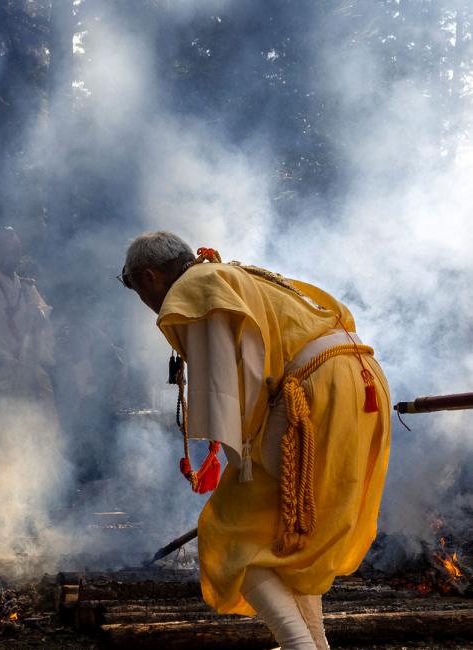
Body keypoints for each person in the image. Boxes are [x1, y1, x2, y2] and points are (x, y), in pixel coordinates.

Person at [120, 231, 391, 650]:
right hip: (360, 379)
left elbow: (225, 388)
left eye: (137, 289)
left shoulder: (195, 289)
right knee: (285, 531)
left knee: (229, 532)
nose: (145, 301)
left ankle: (298, 644)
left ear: (150, 277)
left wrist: (239, 458)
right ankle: (315, 643)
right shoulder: (231, 273)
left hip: (312, 392)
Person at [0, 226, 57, 410]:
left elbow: (46, 336)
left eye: (16, 250)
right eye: (6, 249)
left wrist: (38, 317)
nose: (12, 255)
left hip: (34, 382)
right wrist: (17, 369)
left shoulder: (28, 289)